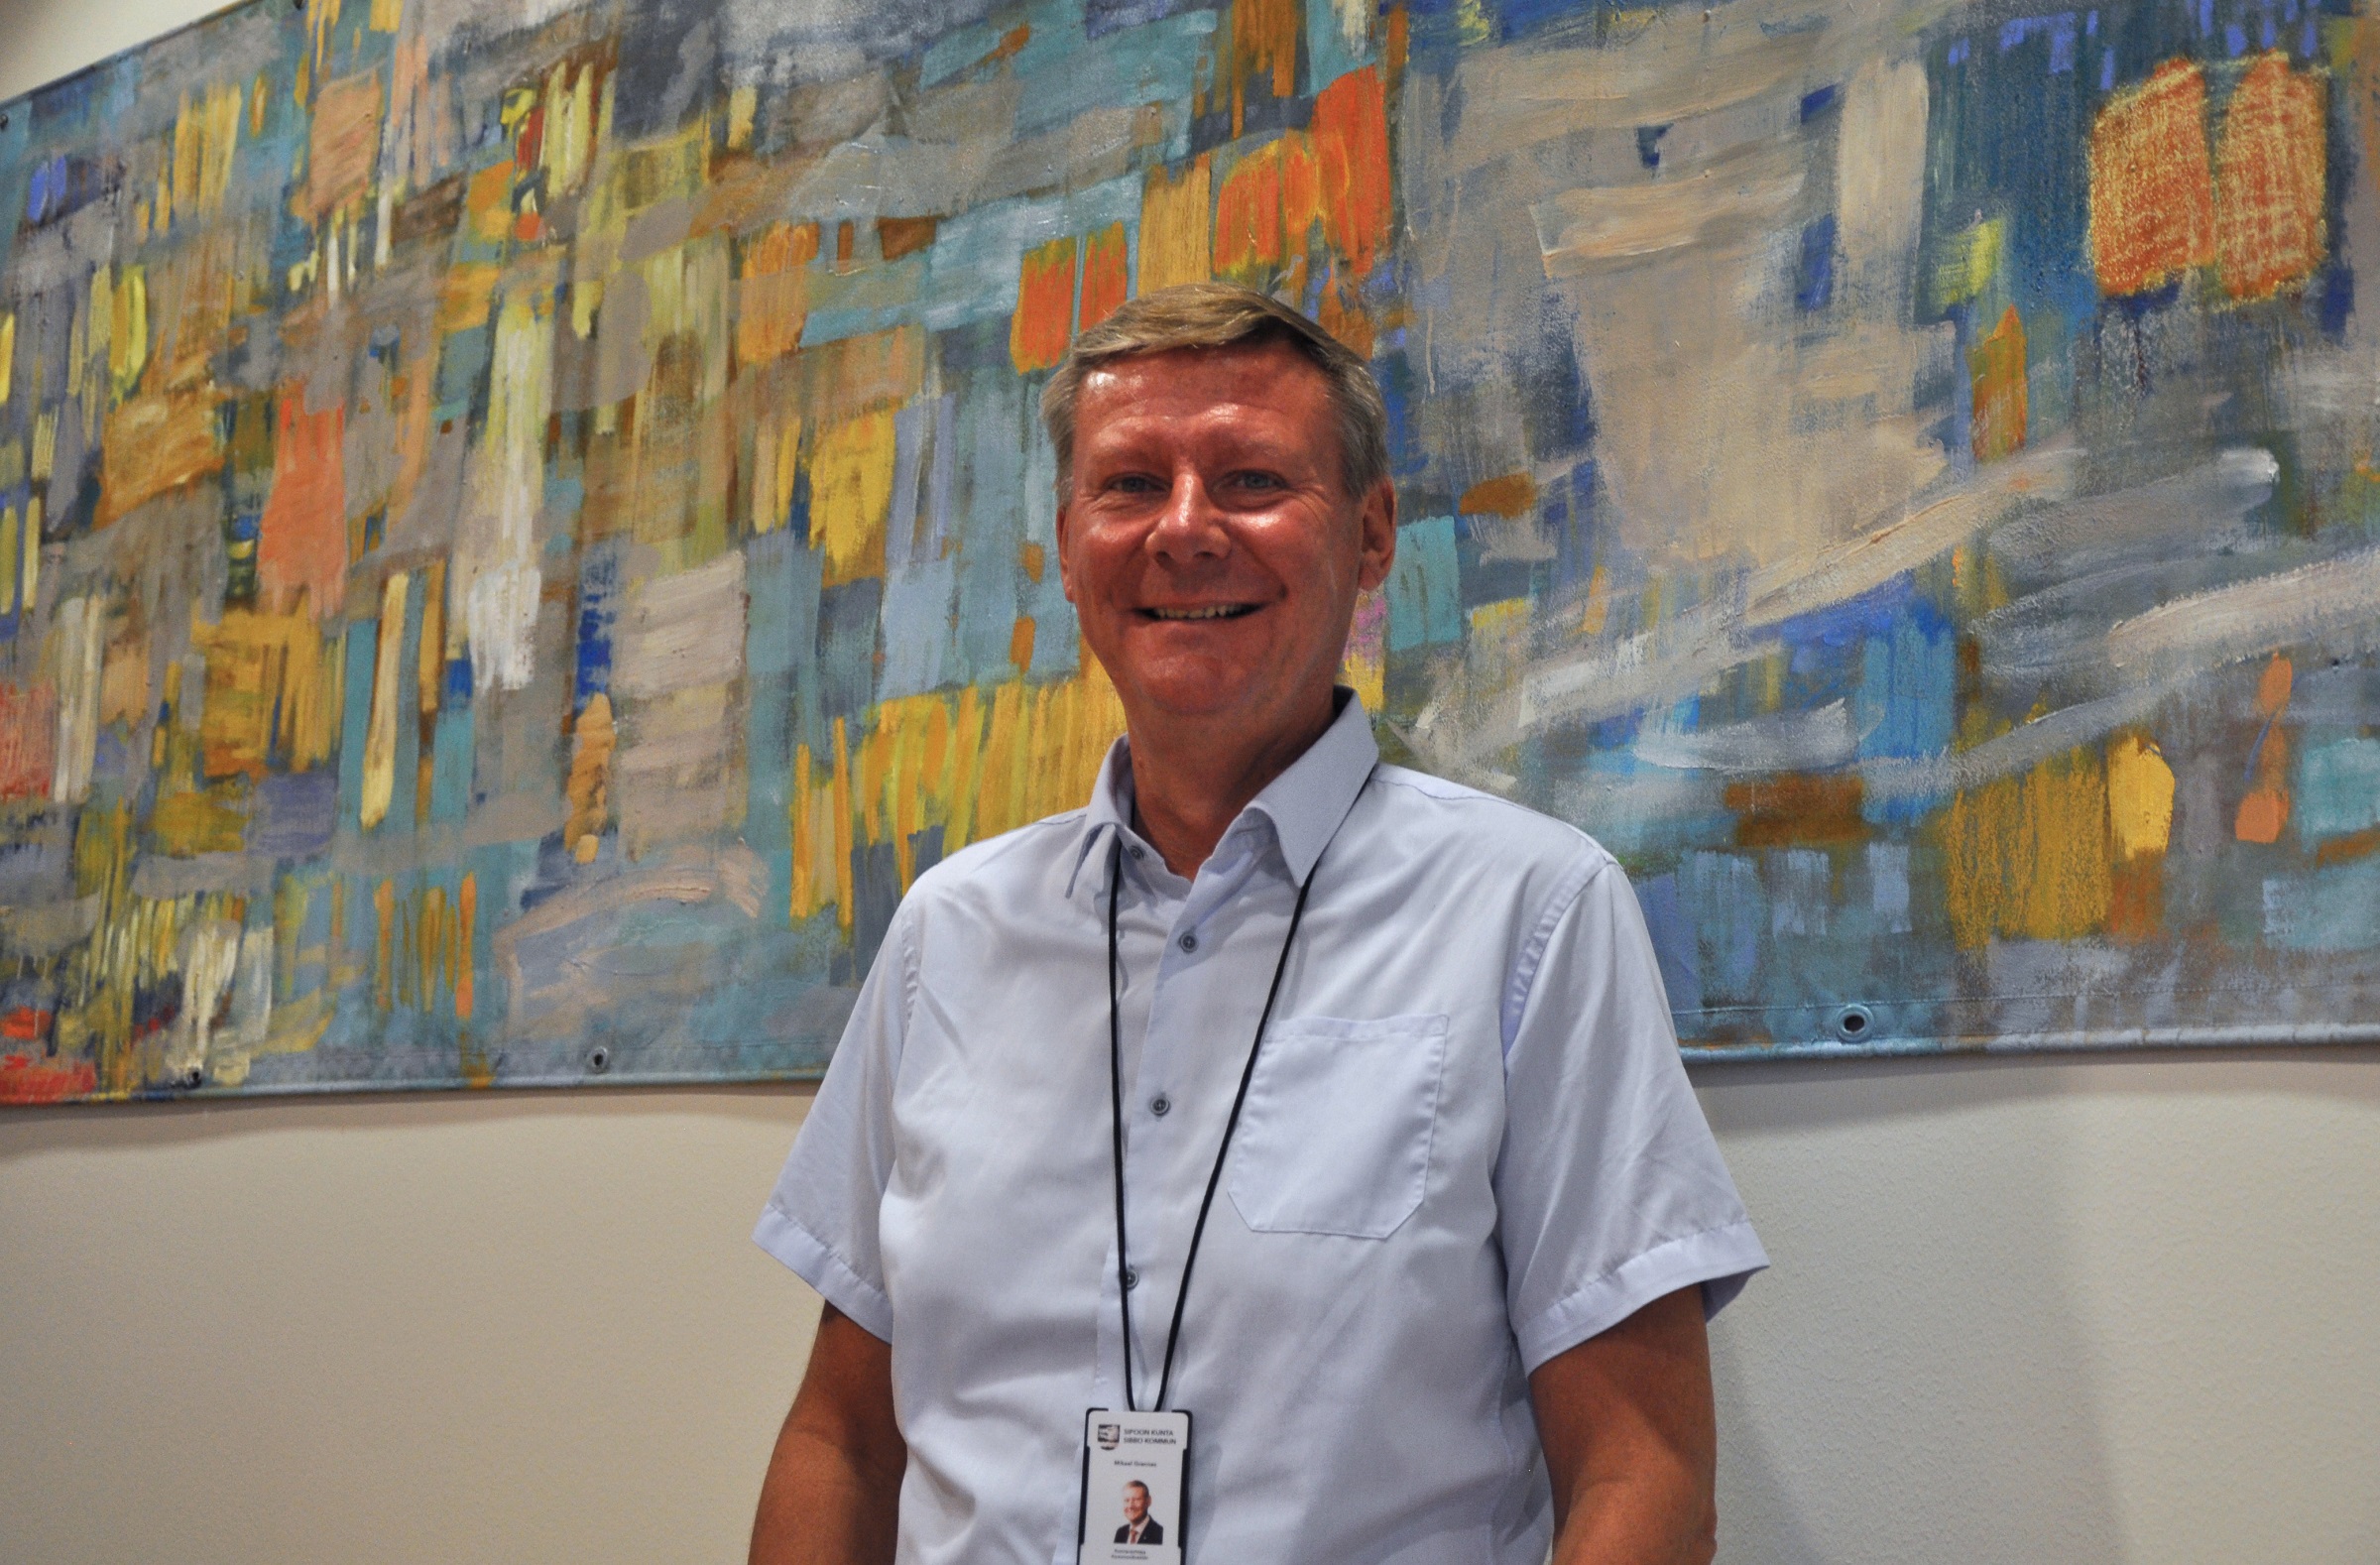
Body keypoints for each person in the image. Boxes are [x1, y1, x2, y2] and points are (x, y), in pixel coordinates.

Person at [748, 282, 1767, 1565]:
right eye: (1131, 485)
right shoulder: (945, 934)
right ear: (1067, 545)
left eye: (1251, 480)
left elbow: (1642, 1471)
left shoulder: (1532, 914)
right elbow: (841, 1438)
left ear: (1372, 534)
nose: (1185, 529)